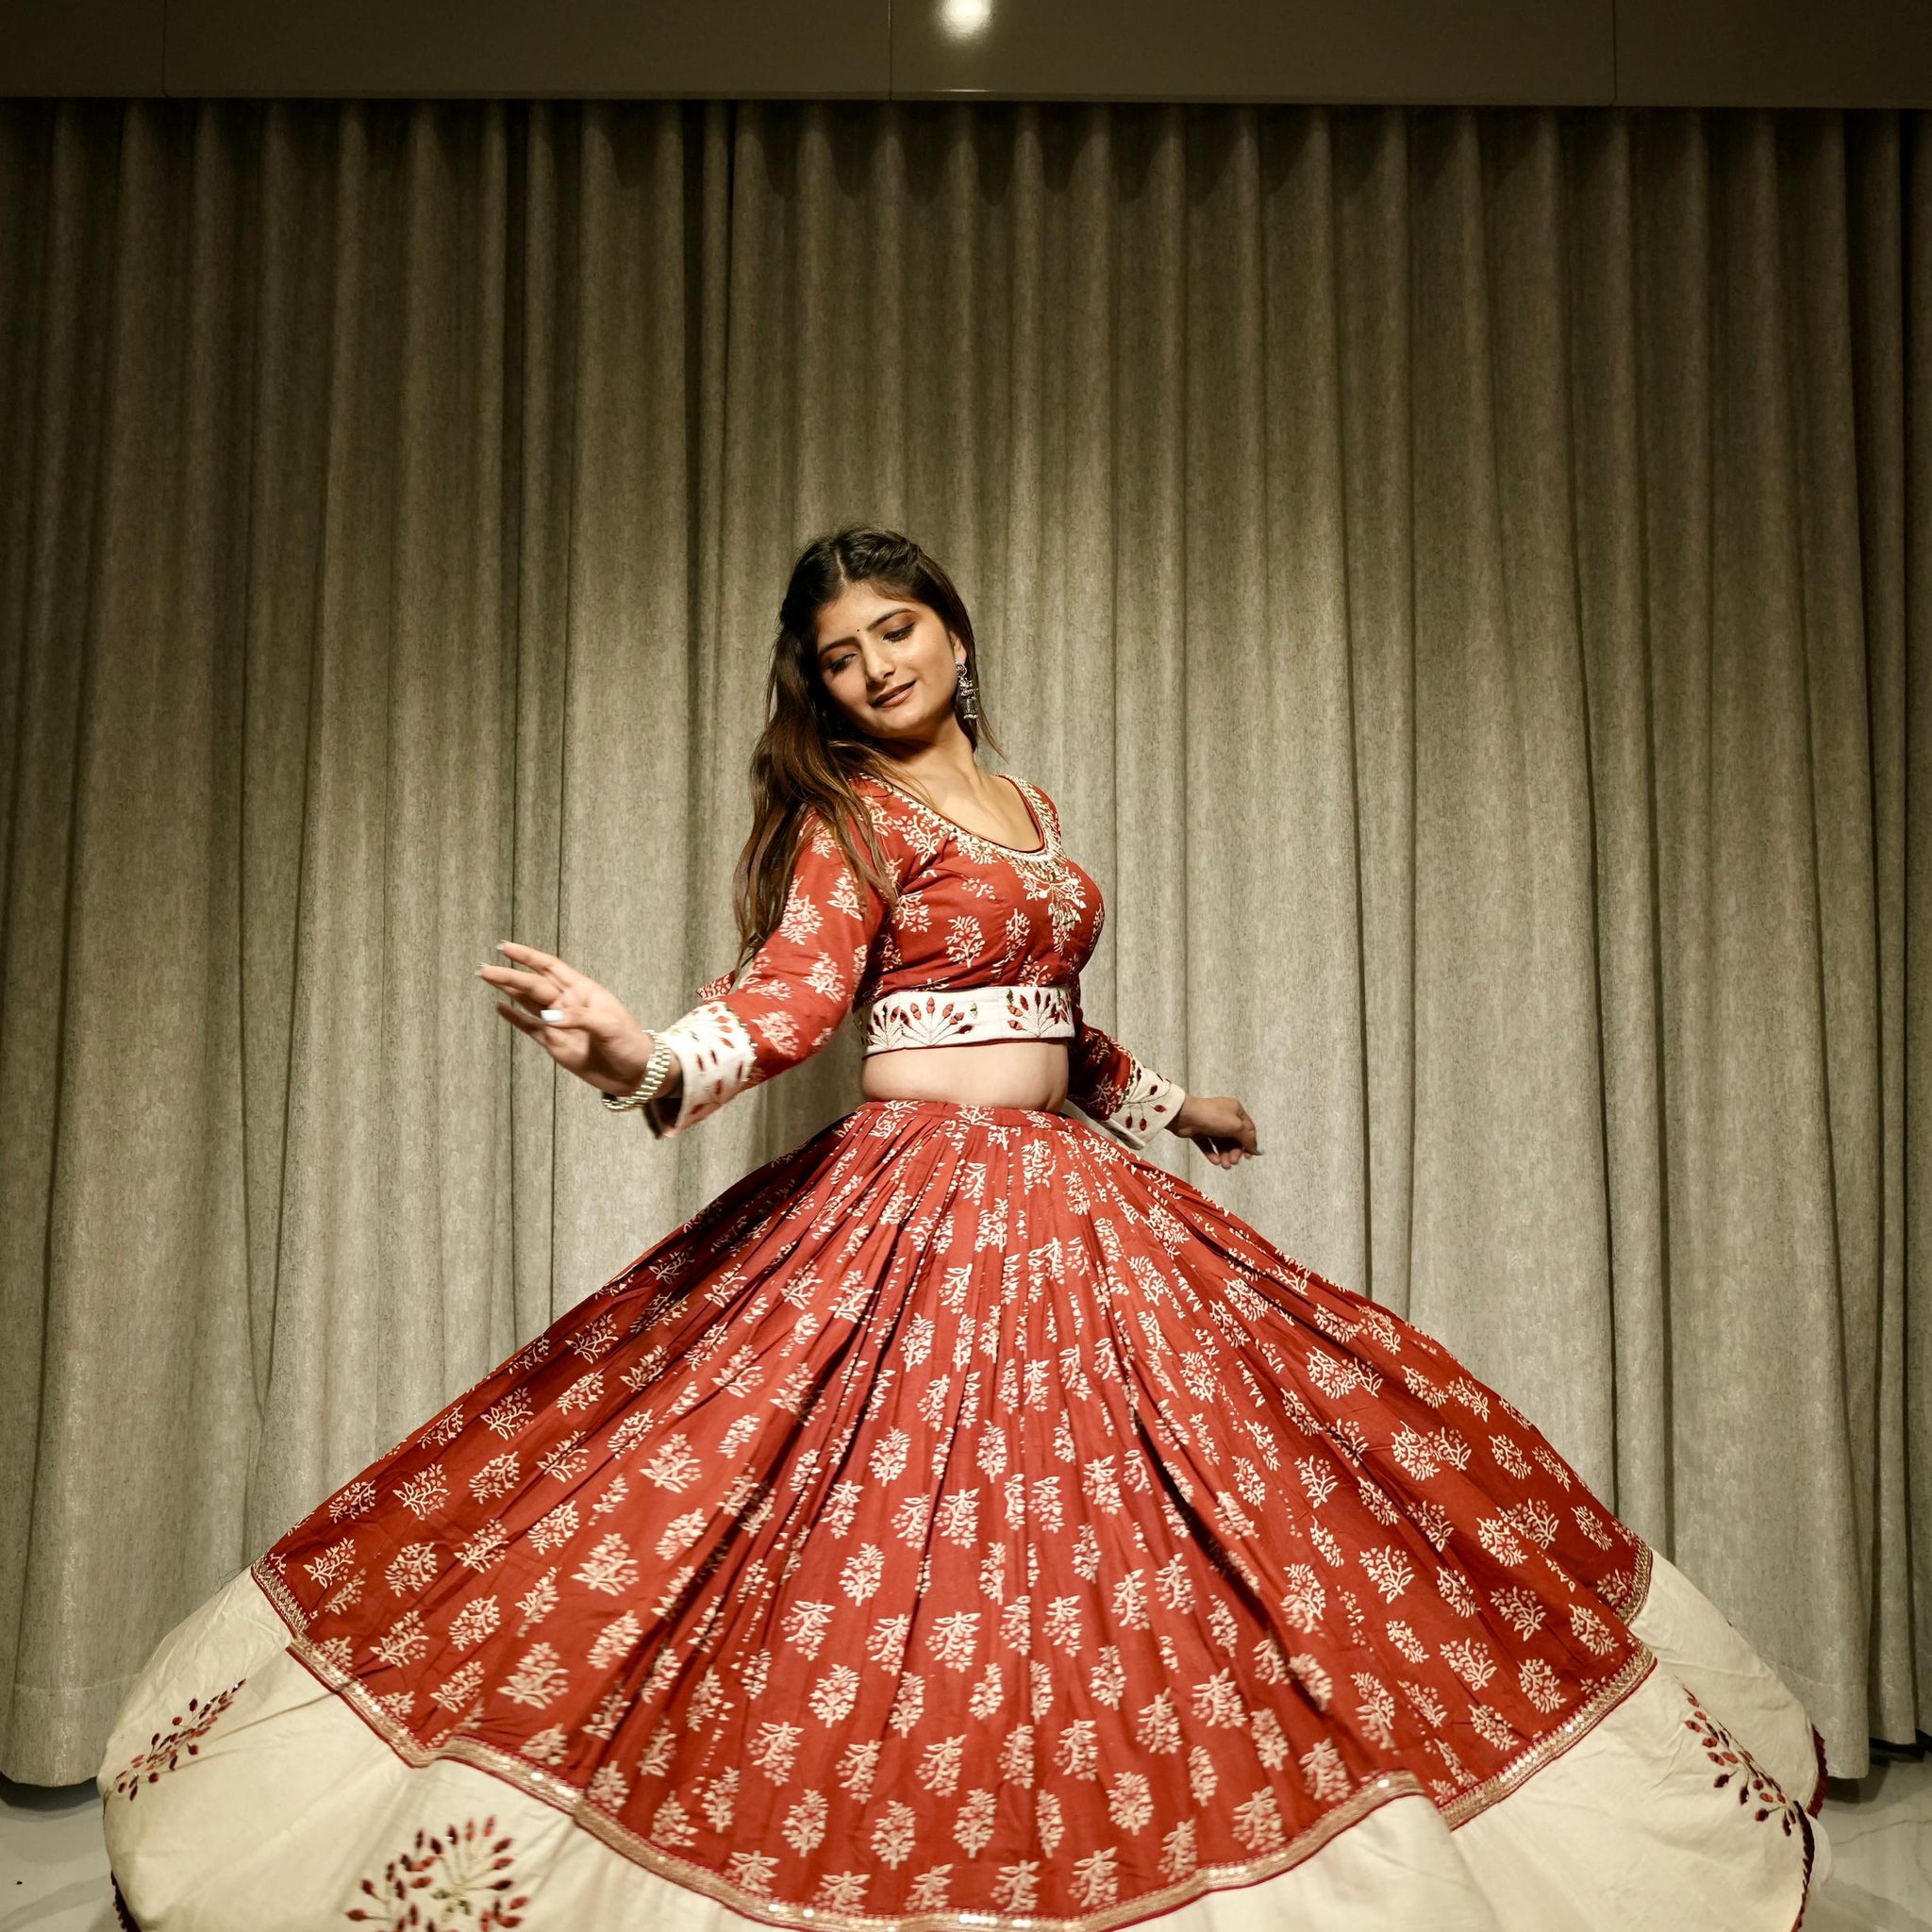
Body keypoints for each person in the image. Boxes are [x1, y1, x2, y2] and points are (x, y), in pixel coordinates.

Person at [100, 525, 1830, 1931]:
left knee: (1215, 1521)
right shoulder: (853, 819)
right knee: (851, 1547)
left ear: (953, 629)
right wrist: (643, 1053)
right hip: (915, 1212)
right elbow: (787, 1004)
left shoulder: (1036, 810)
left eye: (896, 631)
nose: (874, 669)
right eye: (841, 655)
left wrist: (1170, 1112)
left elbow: (1057, 1021)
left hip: (1077, 1202)